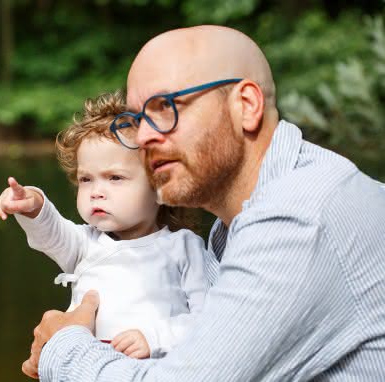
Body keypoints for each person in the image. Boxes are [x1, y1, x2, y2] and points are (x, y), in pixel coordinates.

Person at [21, 25, 385, 381]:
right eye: (137, 118)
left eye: (165, 107)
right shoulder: (240, 223)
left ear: (246, 105)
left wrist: (64, 344)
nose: (144, 136)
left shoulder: (299, 217)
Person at [0, 91, 219, 360]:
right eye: (86, 179)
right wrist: (33, 204)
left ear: (160, 186)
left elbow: (209, 322)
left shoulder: (183, 247)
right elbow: (51, 232)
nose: (96, 192)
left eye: (114, 178)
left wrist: (154, 338)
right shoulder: (85, 244)